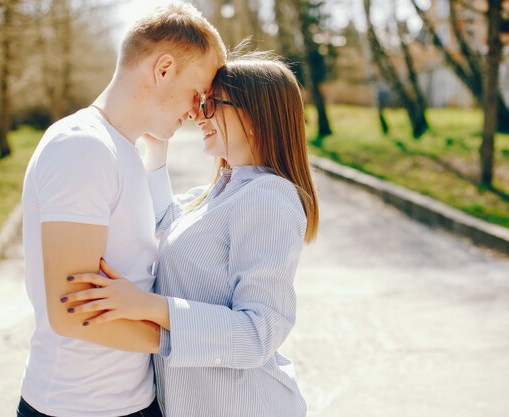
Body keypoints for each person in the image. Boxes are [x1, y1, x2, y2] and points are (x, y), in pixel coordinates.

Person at [62, 53, 319, 417]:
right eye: (200, 103)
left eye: (211, 104)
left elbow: (258, 334)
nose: (198, 115)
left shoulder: (268, 197)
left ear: (256, 117)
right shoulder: (222, 190)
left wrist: (146, 305)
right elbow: (162, 225)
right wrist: (157, 151)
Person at [18, 3, 226, 416]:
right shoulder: (83, 147)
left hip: (132, 401)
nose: (198, 109)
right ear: (163, 68)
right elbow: (71, 313)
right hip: (76, 407)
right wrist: (183, 341)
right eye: (198, 93)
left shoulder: (122, 150)